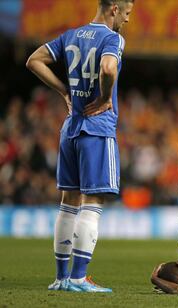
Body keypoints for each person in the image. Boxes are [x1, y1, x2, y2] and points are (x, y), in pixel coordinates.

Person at [26, 0, 134, 292]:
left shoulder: (71, 35)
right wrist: (106, 96)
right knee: (92, 203)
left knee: (68, 203)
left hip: (70, 128)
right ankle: (78, 278)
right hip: (97, 129)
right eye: (126, 14)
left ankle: (61, 277)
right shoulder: (112, 38)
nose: (126, 21)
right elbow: (109, 67)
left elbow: (34, 60)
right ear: (114, 9)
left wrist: (64, 90)